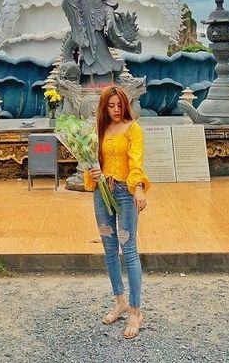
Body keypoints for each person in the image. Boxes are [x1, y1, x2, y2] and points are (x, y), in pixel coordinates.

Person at [84, 85, 151, 339]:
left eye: (120, 105)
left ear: (126, 105)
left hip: (125, 191)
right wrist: (92, 172)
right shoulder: (98, 130)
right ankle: (120, 301)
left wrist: (138, 188)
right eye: (111, 105)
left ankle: (135, 311)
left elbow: (136, 162)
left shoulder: (133, 129)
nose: (115, 110)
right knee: (109, 248)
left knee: (129, 248)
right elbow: (91, 160)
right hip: (102, 191)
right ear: (104, 107)